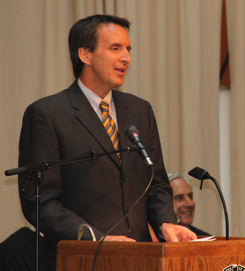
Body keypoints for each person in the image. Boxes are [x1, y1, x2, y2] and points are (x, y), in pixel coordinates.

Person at [17, 14, 196, 270]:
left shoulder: (139, 110)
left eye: (128, 49)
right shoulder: (48, 114)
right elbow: (40, 203)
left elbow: (156, 184)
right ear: (85, 55)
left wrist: (166, 222)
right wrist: (96, 239)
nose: (126, 58)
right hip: (78, 261)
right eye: (115, 48)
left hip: (140, 259)